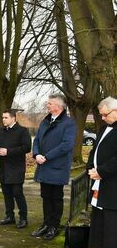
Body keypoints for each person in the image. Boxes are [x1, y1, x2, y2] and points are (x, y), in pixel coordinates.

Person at [31, 93, 76, 240]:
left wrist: (47, 156)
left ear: (58, 106)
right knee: (45, 196)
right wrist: (37, 154)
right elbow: (36, 140)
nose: (47, 105)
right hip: (43, 164)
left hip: (57, 166)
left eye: (49, 103)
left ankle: (54, 226)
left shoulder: (68, 123)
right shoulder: (45, 121)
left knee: (56, 198)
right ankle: (45, 224)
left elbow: (66, 145)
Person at [86, 96, 117, 248]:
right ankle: (98, 244)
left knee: (112, 216)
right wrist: (91, 167)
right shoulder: (104, 128)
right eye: (101, 115)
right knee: (98, 212)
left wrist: (102, 171)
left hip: (112, 179)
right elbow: (94, 150)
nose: (103, 118)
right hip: (98, 177)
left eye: (105, 115)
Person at [0, 110, 32, 229]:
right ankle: (9, 216)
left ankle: (23, 218)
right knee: (6, 194)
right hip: (4, 168)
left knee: (18, 193)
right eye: (2, 117)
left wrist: (8, 151)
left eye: (6, 117)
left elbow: (27, 147)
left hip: (16, 168)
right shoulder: (0, 131)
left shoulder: (23, 131)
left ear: (13, 118)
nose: (3, 119)